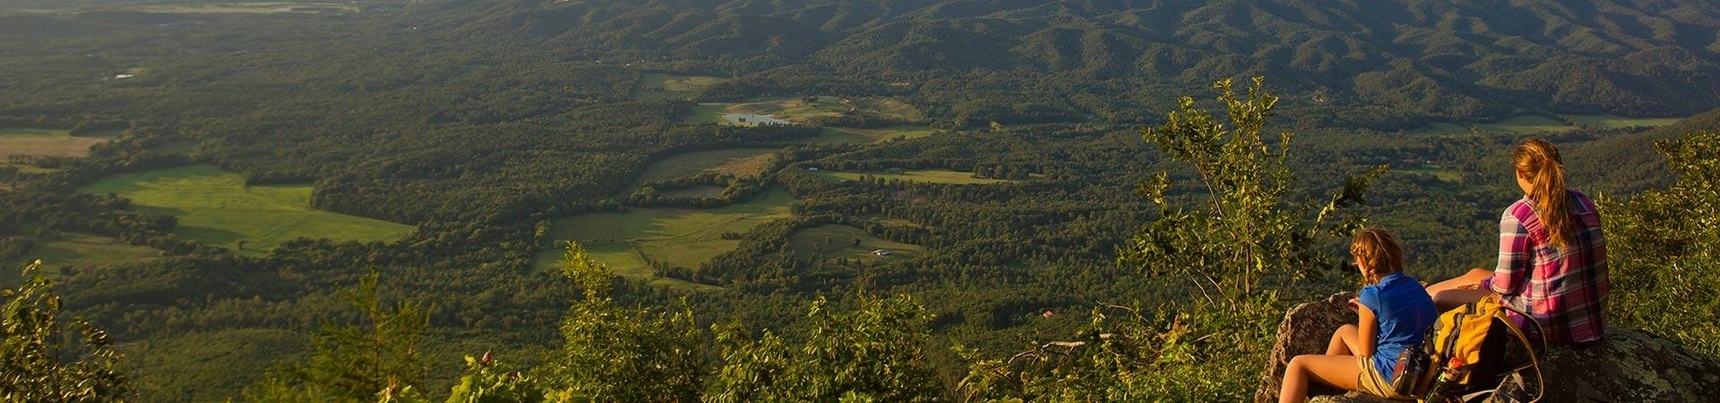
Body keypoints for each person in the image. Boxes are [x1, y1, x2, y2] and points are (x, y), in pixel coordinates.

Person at [1424, 138, 1609, 344]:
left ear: (1520, 173)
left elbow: (1504, 287)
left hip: (1541, 325)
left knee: (1440, 298)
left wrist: (1481, 286)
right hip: (1592, 324)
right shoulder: (1584, 203)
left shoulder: (1520, 215)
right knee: (1475, 274)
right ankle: (1422, 291)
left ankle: (1420, 295)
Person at [1281, 228, 1437, 403]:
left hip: (1391, 377)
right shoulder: (1414, 286)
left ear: (1363, 261)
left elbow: (1365, 352)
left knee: (1298, 365)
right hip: (1418, 372)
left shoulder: (1372, 294)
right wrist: (1367, 311)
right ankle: (1328, 384)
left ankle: (1321, 382)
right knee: (1345, 331)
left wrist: (1367, 311)